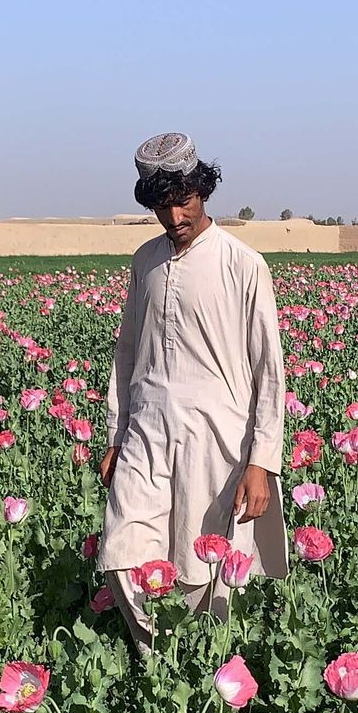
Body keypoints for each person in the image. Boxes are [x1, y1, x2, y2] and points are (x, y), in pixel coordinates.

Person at [98, 132, 289, 653]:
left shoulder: (243, 264)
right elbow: (127, 351)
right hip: (145, 430)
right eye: (163, 206)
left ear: (203, 190)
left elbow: (269, 371)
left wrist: (261, 462)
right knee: (122, 546)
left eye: (184, 200)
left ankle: (203, 666)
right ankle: (154, 658)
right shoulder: (145, 261)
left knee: (203, 560)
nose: (175, 216)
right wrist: (115, 434)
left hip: (217, 437)